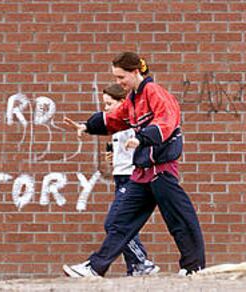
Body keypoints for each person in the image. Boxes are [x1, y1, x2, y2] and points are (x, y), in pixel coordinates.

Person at [63, 52, 205, 278]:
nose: (119, 83)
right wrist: (87, 126)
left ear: (135, 72)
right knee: (120, 223)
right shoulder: (133, 99)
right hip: (141, 174)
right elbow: (115, 118)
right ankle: (95, 267)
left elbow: (166, 122)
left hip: (161, 170)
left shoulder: (155, 93)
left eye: (121, 77)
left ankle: (193, 267)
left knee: (179, 219)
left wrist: (141, 138)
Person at [64, 84, 160, 277]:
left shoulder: (132, 125)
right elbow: (117, 146)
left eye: (109, 104)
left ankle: (141, 262)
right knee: (121, 223)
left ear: (123, 103)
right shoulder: (115, 126)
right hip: (121, 177)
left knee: (114, 223)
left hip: (131, 178)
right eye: (104, 104)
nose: (106, 108)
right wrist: (113, 156)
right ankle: (138, 265)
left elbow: (142, 144)